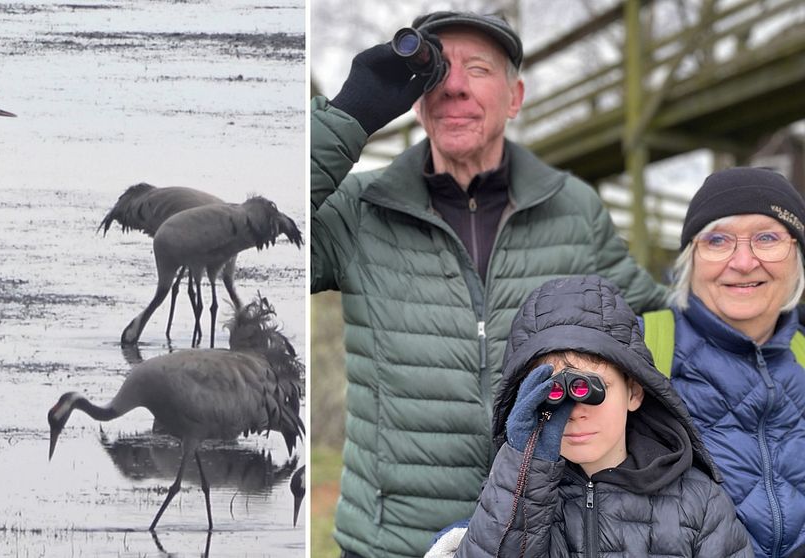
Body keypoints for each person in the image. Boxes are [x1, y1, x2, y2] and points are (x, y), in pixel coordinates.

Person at [310, 10, 668, 557]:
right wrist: (348, 116)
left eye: (478, 69)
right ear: (418, 98)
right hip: (391, 543)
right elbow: (241, 229)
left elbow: (660, 320)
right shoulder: (357, 210)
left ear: (515, 96)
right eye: (438, 72)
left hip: (542, 536)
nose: (454, 86)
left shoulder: (573, 209)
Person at [433, 274, 752, 557]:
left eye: (592, 390)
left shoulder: (700, 502)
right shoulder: (509, 498)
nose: (574, 413)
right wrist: (524, 468)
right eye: (553, 394)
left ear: (634, 392)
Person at [643, 167, 805, 558]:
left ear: (797, 255)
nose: (744, 262)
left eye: (767, 238)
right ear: (691, 258)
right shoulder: (638, 347)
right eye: (718, 240)